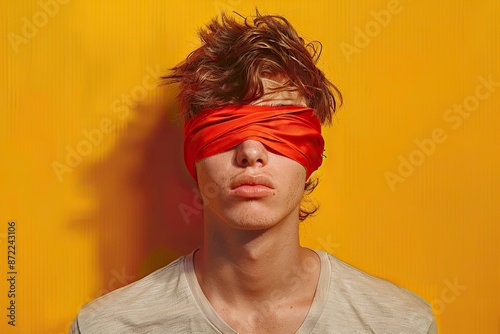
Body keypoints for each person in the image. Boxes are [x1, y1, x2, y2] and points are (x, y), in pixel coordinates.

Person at [70, 10, 437, 333]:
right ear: (193, 154)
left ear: (312, 153)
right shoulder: (108, 328)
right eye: (224, 127)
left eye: (279, 127)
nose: (250, 152)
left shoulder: (399, 325)